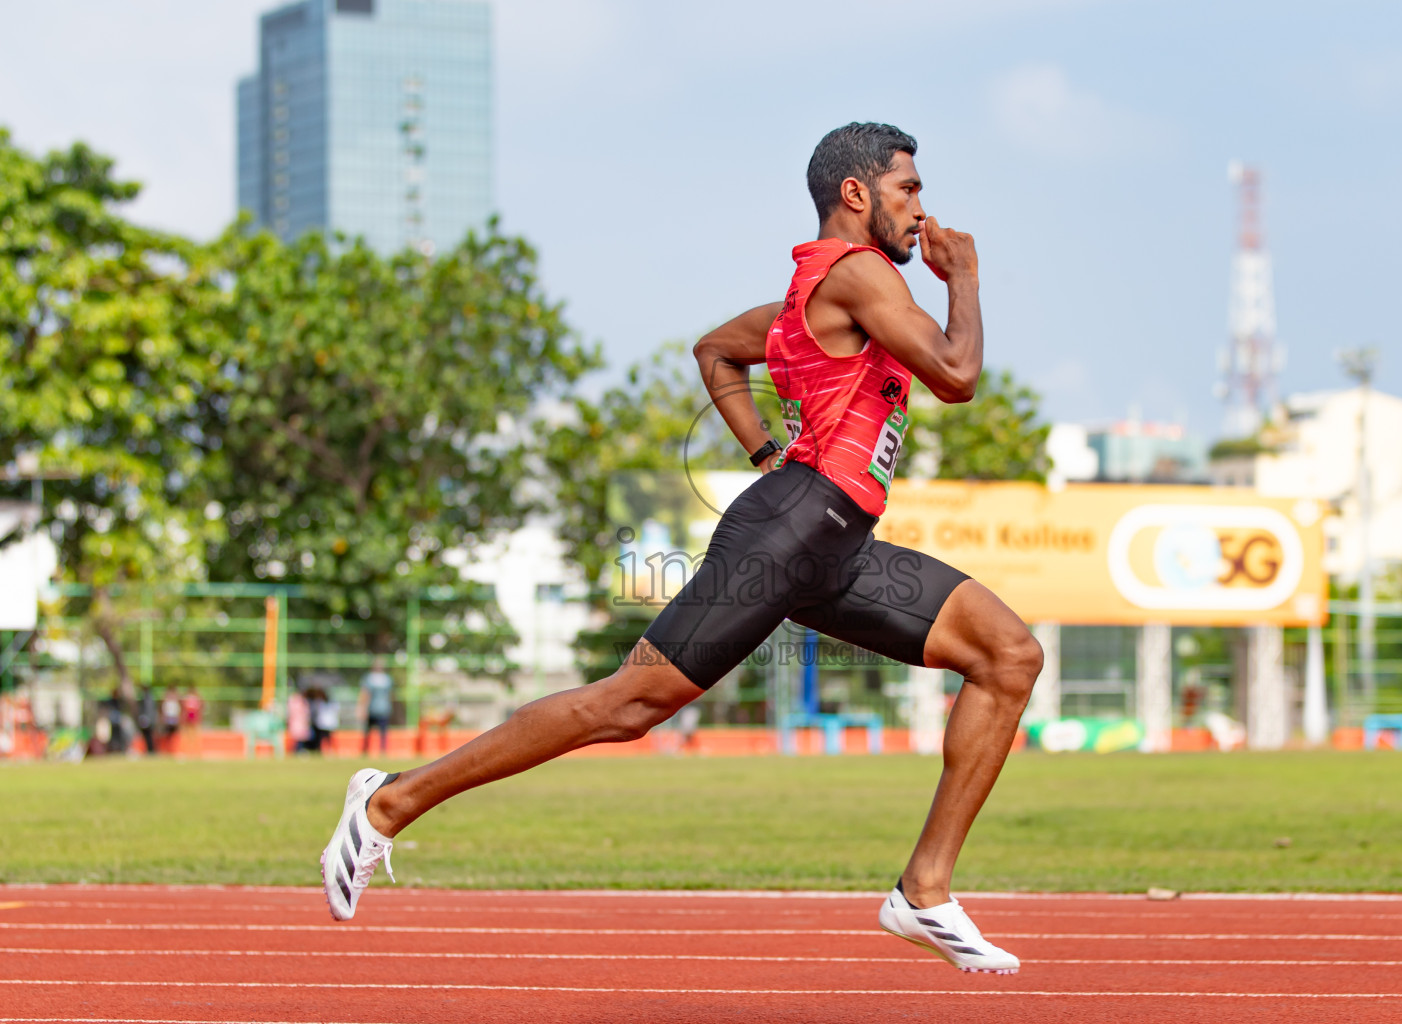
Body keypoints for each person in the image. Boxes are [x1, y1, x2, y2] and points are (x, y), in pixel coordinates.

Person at [321, 123, 1042, 975]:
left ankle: (923, 889)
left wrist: (765, 449)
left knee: (1008, 655)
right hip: (792, 529)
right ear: (857, 194)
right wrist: (967, 280)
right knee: (629, 705)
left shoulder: (813, 294)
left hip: (834, 538)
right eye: (907, 189)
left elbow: (715, 351)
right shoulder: (861, 274)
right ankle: (388, 803)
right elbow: (957, 376)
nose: (921, 209)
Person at [358, 657, 394, 757]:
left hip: (381, 709)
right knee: (369, 732)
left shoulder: (383, 678)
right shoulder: (383, 679)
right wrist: (363, 708)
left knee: (381, 732)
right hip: (374, 709)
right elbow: (365, 694)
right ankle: (367, 750)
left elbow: (365, 694)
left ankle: (381, 750)